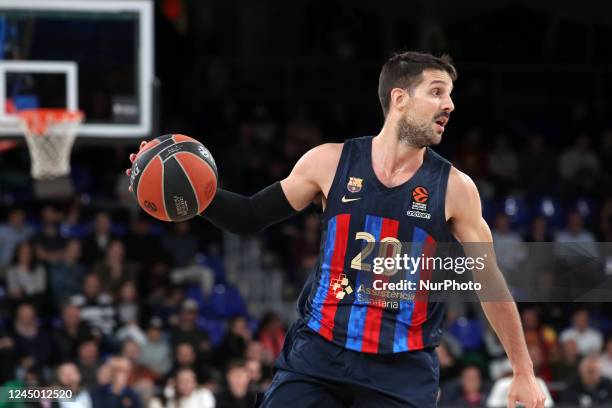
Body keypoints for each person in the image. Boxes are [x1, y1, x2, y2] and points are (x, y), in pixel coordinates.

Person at [127, 51, 546, 407]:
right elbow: (250, 216)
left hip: (401, 368)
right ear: (399, 99)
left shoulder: (455, 189)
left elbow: (490, 282)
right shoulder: (329, 163)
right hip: (319, 354)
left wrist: (522, 371)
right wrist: (187, 190)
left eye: (450, 95)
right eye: (437, 91)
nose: (450, 104)